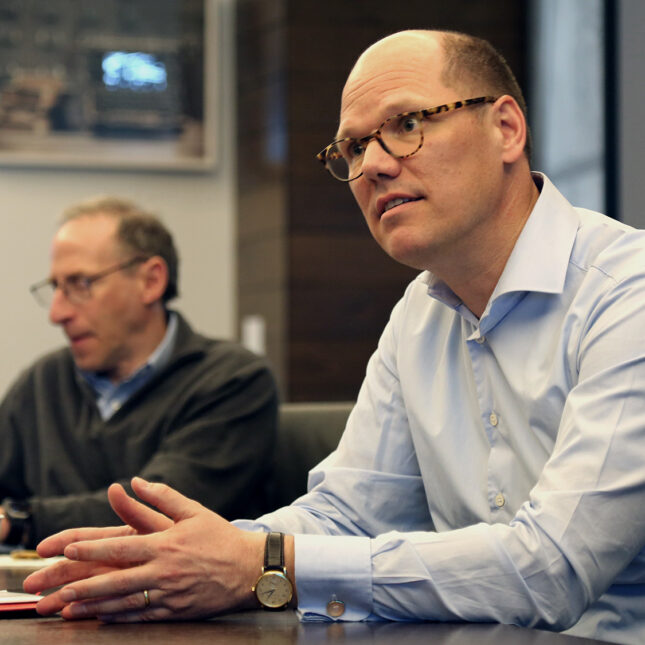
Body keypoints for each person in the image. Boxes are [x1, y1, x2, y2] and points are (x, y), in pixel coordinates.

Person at [24, 30, 645, 645]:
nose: (371, 164)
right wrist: (181, 555)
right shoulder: (419, 313)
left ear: (506, 128)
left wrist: (265, 563)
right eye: (351, 148)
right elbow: (347, 512)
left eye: (407, 123)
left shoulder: (626, 293)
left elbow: (553, 568)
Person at [0, 196, 278, 549]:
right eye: (56, 288)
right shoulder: (42, 382)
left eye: (80, 284)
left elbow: (155, 512)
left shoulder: (234, 381)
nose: (57, 313)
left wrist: (19, 521)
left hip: (187, 601)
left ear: (151, 281)